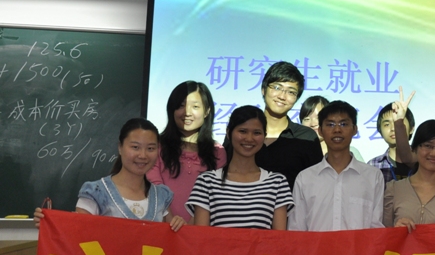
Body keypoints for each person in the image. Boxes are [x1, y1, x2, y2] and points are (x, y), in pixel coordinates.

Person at [34, 118, 185, 231]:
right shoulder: (96, 192)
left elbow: (171, 241)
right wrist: (51, 225)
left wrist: (180, 227)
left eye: (150, 148)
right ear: (120, 147)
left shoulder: (161, 196)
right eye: (135, 147)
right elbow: (77, 232)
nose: (143, 155)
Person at [189, 105, 292, 230]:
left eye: (257, 133)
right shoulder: (206, 181)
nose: (249, 138)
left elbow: (279, 237)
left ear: (264, 136)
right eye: (243, 131)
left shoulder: (277, 182)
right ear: (228, 133)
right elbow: (201, 236)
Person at [290, 101, 384, 231]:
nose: (337, 130)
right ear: (320, 131)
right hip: (315, 245)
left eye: (344, 124)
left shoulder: (373, 176)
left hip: (359, 245)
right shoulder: (305, 178)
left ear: (355, 130)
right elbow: (297, 229)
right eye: (330, 124)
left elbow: (376, 228)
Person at [148, 80, 225, 224]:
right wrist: (171, 221)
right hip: (161, 227)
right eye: (180, 106)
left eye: (195, 106)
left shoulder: (218, 152)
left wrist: (190, 226)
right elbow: (155, 186)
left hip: (200, 230)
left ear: (207, 111)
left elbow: (215, 196)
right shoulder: (156, 146)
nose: (187, 113)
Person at [254, 61, 323, 188]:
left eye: (291, 92)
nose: (282, 96)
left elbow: (316, 186)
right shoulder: (242, 131)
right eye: (277, 87)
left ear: (296, 99)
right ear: (263, 89)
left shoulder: (306, 137)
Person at [367, 104, 414, 184]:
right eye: (387, 124)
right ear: (380, 131)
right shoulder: (373, 165)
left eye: (399, 123)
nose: (393, 128)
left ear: (411, 129)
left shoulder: (423, 162)